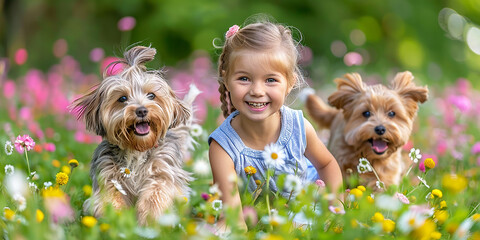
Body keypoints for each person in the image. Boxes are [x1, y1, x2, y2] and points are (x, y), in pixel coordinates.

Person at [208, 19, 343, 231]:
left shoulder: (298, 126)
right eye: (244, 78)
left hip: (303, 206)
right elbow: (233, 216)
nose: (257, 91)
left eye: (270, 80)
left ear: (290, 83)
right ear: (226, 80)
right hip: (256, 216)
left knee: (304, 225)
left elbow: (326, 165)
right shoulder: (223, 146)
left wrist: (335, 206)